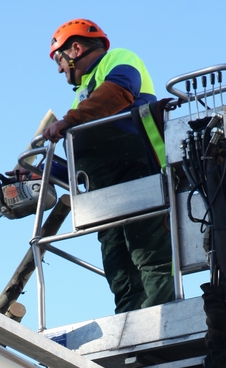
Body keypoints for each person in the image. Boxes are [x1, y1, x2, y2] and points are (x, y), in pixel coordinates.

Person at [42, 19, 174, 314]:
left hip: (137, 170)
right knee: (118, 265)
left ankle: (161, 321)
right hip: (103, 188)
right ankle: (130, 325)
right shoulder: (83, 97)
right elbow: (83, 162)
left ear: (75, 49)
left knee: (149, 251)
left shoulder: (119, 60)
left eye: (59, 59)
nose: (60, 69)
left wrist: (69, 121)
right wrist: (41, 169)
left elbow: (119, 93)